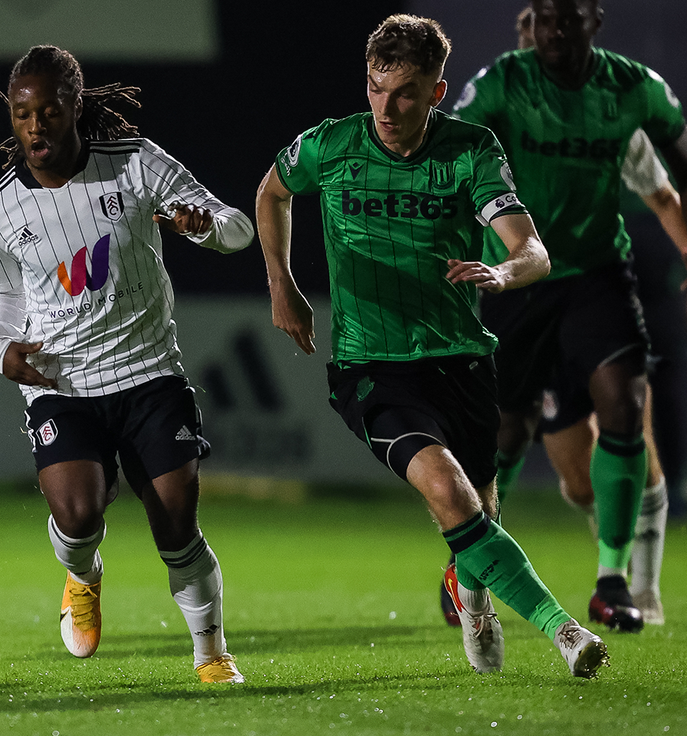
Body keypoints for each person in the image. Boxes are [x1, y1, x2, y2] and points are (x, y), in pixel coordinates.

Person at [254, 14, 607, 678]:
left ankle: (471, 596)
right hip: (372, 365)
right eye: (376, 88)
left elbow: (532, 250)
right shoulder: (331, 145)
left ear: (437, 93)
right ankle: (563, 631)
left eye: (407, 92)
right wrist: (283, 284)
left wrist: (503, 272)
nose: (387, 107)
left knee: (477, 507)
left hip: (461, 358)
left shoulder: (470, 151)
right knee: (447, 491)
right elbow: (273, 192)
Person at [0, 45, 254, 683]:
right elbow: (4, 292)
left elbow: (236, 228)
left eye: (48, 110)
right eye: (23, 114)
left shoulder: (135, 165)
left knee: (176, 524)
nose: (36, 126)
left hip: (149, 371)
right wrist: (0, 349)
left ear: (74, 106)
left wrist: (200, 224)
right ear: (12, 118)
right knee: (78, 514)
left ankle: (210, 653)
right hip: (62, 382)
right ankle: (81, 576)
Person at [440, 3, 687, 629]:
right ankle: (472, 568)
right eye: (541, 19)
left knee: (628, 406)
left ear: (593, 22)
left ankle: (616, 581)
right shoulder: (502, 83)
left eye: (564, 18)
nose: (549, 31)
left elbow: (672, 175)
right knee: (514, 439)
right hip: (519, 280)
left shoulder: (632, 91)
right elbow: (449, 153)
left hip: (600, 275)